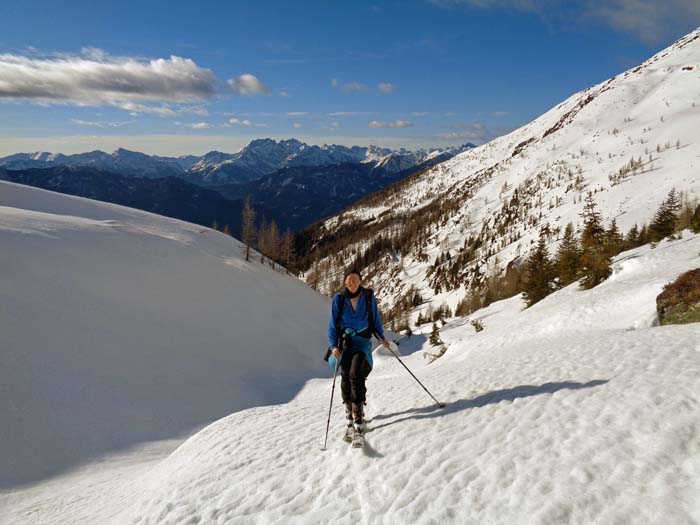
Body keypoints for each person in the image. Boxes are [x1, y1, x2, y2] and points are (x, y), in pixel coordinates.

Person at [328, 268, 390, 439]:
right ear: (345, 282)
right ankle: (349, 409)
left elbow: (375, 320)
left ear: (360, 281)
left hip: (362, 342)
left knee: (356, 372)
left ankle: (358, 413)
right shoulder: (339, 299)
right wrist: (333, 346)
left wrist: (381, 337)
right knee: (345, 375)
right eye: (349, 279)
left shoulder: (369, 297)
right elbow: (333, 326)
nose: (352, 282)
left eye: (355, 279)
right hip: (345, 344)